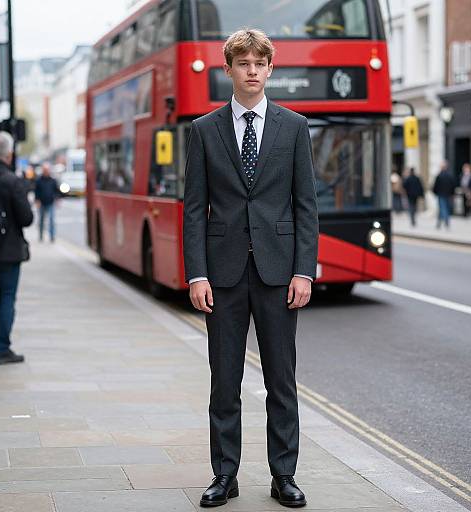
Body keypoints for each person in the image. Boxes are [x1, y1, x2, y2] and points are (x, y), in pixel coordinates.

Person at [183, 29, 318, 508]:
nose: (253, 71)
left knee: (281, 380)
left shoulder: (294, 126)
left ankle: (285, 475)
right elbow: (194, 209)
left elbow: (306, 206)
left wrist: (305, 270)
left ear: (270, 69)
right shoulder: (202, 130)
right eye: (244, 63)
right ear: (229, 71)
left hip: (280, 274)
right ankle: (225, 475)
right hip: (221, 276)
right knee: (225, 380)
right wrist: (196, 274)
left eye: (261, 63)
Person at [0, 132, 33, 364]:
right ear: (8, 155)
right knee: (7, 298)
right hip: (7, 251)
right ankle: (2, 349)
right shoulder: (11, 180)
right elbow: (26, 218)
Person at [35, 162, 59, 242]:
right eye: (45, 170)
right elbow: (36, 191)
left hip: (50, 202)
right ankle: (41, 235)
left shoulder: (53, 180)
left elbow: (56, 191)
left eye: (47, 170)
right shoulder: (39, 180)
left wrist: (57, 199)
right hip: (42, 203)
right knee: (41, 220)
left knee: (51, 220)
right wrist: (37, 201)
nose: (46, 171)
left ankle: (52, 236)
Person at [433, 161, 456, 229]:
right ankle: (439, 223)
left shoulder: (439, 176)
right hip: (447, 194)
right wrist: (452, 193)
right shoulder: (450, 175)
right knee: (443, 208)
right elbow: (453, 186)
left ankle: (446, 221)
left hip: (441, 194)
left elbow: (435, 186)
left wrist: (435, 192)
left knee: (443, 208)